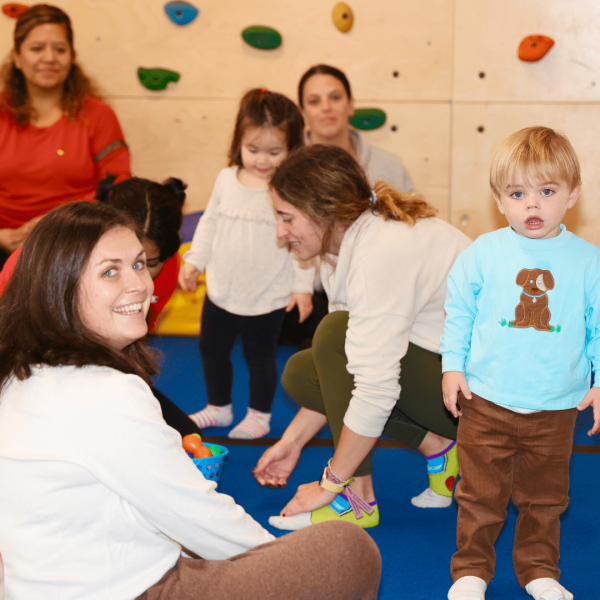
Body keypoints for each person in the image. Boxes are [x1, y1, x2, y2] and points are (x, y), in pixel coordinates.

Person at [0, 201, 382, 600]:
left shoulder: (19, 373)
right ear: (59, 286)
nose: (139, 284)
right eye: (110, 271)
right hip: (129, 589)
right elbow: (196, 515)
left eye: (139, 264)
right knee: (346, 549)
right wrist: (281, 559)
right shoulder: (101, 391)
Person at [253, 144, 471, 531]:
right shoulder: (342, 249)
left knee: (335, 334)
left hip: (488, 402)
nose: (280, 232)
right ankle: (440, 449)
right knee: (304, 370)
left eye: (287, 218)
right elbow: (344, 372)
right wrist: (292, 443)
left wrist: (330, 483)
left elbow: (372, 385)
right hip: (451, 382)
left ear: (324, 212)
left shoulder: (379, 253)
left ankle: (358, 498)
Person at [440, 127, 600, 600]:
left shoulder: (588, 262)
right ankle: (471, 570)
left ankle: (538, 571)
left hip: (554, 408)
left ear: (572, 194)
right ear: (499, 198)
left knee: (545, 499)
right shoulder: (483, 253)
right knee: (478, 494)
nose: (533, 205)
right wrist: (453, 366)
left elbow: (597, 326)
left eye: (546, 191)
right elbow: (459, 312)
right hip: (486, 400)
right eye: (518, 193)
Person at [179, 89, 315, 440]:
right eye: (253, 150)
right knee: (211, 349)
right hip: (222, 289)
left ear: (293, 149)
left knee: (260, 357)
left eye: (275, 152)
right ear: (238, 142)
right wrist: (194, 261)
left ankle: (259, 414)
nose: (263, 161)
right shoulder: (226, 179)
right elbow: (208, 223)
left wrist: (302, 287)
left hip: (267, 294)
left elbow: (303, 241)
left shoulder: (290, 190)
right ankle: (219, 407)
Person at [0, 4, 130, 268]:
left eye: (59, 49)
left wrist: (58, 222)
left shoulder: (98, 115)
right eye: (37, 48)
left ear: (72, 57)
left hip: (76, 243)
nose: (49, 57)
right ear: (16, 57)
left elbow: (120, 188)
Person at [298, 64, 415, 192]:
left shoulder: (389, 166)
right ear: (303, 113)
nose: (326, 107)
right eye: (314, 101)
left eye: (335, 97)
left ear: (351, 105)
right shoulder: (285, 168)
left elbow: (414, 211)